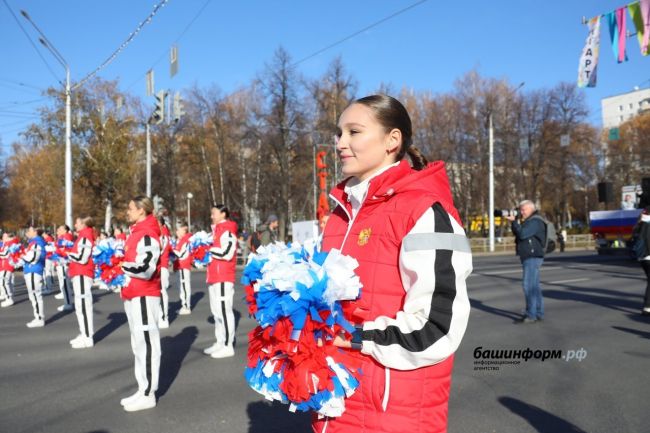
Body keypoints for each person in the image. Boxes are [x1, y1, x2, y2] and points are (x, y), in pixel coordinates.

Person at [314, 95, 472, 433]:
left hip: (391, 413)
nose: (341, 143)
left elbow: (437, 327)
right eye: (338, 133)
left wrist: (354, 336)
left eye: (353, 132)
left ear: (392, 140)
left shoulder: (426, 211)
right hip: (334, 404)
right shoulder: (339, 215)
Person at [119, 196, 162, 412]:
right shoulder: (136, 232)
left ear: (141, 210)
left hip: (144, 294)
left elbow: (146, 268)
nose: (128, 211)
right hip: (133, 294)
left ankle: (148, 393)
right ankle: (142, 388)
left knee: (146, 345)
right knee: (138, 344)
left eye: (131, 208)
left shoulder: (147, 233)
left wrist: (121, 267)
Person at [204, 204, 238, 359]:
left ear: (223, 214)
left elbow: (227, 253)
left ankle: (228, 345)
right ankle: (220, 341)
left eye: (214, 213)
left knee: (224, 311)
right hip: (214, 276)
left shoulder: (228, 230)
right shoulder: (216, 231)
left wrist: (208, 249)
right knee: (217, 311)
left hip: (224, 276)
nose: (212, 216)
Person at [506, 200, 546, 324]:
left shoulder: (535, 221)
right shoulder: (530, 221)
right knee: (534, 287)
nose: (521, 212)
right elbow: (519, 234)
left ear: (531, 209)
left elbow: (523, 234)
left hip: (532, 256)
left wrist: (514, 222)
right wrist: (514, 223)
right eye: (521, 209)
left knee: (528, 286)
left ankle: (531, 314)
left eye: (523, 210)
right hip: (530, 256)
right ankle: (538, 312)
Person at [67, 216, 96, 348]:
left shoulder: (85, 237)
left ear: (84, 224)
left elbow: (82, 257)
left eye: (77, 222)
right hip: (79, 273)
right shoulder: (82, 236)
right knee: (80, 306)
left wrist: (66, 253)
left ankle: (87, 337)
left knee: (83, 306)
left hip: (83, 274)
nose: (75, 224)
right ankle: (84, 333)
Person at [22, 226, 48, 328]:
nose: (27, 232)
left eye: (29, 230)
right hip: (32, 270)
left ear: (35, 232)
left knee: (35, 296)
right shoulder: (33, 242)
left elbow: (33, 258)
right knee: (34, 296)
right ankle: (38, 317)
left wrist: (21, 255)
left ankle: (39, 318)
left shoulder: (36, 243)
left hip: (34, 271)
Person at [172, 220, 193, 315]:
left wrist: (171, 250)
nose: (177, 232)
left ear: (185, 229)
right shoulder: (180, 241)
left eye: (178, 229)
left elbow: (182, 254)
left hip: (183, 267)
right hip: (178, 266)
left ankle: (186, 306)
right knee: (181, 287)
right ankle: (184, 304)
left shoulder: (187, 240)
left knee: (184, 287)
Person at [633, 207, 650, 315]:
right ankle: (647, 307)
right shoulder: (648, 225)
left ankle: (647, 306)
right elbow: (648, 240)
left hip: (642, 258)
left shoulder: (638, 224)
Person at [54, 224, 74, 312]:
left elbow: (65, 249)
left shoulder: (67, 237)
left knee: (65, 283)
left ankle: (68, 303)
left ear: (65, 230)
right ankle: (67, 301)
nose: (58, 229)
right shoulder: (62, 237)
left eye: (60, 228)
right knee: (63, 282)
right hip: (60, 261)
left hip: (63, 262)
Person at [158, 217, 172, 329]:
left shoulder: (162, 234)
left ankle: (163, 317)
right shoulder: (161, 233)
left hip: (162, 267)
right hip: (159, 267)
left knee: (162, 292)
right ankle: (160, 315)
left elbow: (158, 250)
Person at [0, 232, 20, 308]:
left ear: (9, 237)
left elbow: (5, 254)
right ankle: (7, 296)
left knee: (3, 282)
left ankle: (8, 298)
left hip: (7, 265)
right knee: (4, 282)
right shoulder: (6, 244)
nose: (3, 238)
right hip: (4, 265)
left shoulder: (11, 244)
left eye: (4, 237)